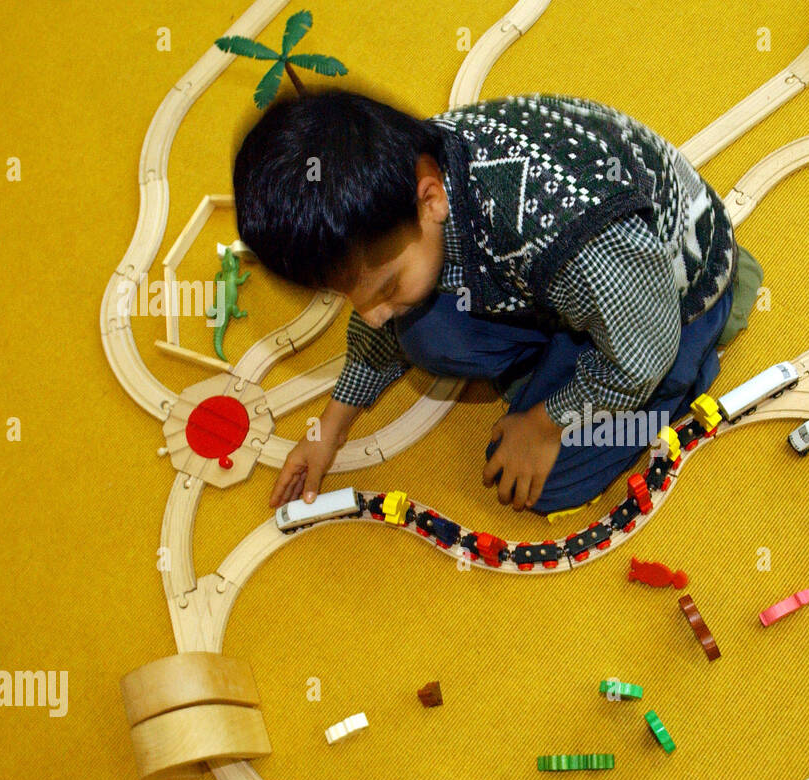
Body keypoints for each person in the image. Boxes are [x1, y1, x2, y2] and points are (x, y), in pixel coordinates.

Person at [234, 90, 762, 513]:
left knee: (542, 483)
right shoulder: (404, 171)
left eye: (386, 286)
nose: (367, 314)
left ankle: (692, 360)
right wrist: (330, 429)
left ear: (431, 198)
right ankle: (562, 352)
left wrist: (544, 423)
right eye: (349, 297)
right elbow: (380, 311)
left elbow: (640, 352)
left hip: (666, 306)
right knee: (417, 329)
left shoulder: (566, 238)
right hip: (573, 289)